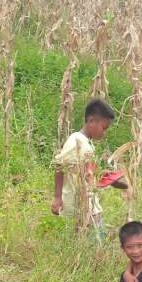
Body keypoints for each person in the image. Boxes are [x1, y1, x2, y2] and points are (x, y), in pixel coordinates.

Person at [51, 98, 115, 232]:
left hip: (88, 204)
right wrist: (57, 198)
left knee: (89, 240)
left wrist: (107, 178)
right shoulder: (76, 141)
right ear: (91, 121)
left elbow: (88, 173)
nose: (104, 132)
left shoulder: (87, 143)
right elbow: (59, 166)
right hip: (78, 205)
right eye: (104, 128)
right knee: (94, 240)